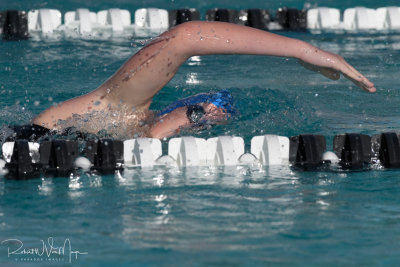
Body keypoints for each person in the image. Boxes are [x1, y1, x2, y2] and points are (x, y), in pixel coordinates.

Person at [17, 21, 376, 140]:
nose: (201, 117)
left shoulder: (125, 121)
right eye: (197, 116)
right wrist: (305, 52)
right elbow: (185, 37)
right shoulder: (111, 108)